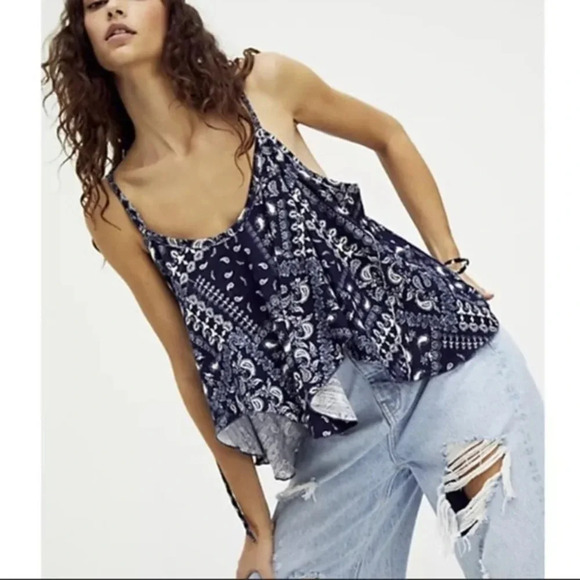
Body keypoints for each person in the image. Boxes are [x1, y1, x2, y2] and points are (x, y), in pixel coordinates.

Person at [41, 1, 544, 578]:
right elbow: (188, 366)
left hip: (448, 371)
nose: (113, 7)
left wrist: (449, 259)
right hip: (335, 433)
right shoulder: (114, 207)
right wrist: (256, 527)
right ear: (82, 36)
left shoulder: (264, 85)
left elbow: (388, 135)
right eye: (93, 3)